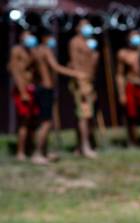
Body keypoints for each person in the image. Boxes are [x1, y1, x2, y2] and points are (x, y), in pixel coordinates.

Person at [32, 28, 86, 164]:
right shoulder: (45, 50)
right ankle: (37, 153)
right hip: (46, 89)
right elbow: (55, 67)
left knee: (44, 122)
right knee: (46, 123)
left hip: (39, 88)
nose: (52, 40)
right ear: (45, 38)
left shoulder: (35, 51)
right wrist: (75, 73)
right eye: (50, 37)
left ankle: (43, 153)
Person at [68, 19, 100, 158]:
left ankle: (80, 147)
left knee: (85, 116)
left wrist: (94, 56)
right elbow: (74, 63)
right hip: (81, 82)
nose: (88, 27)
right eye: (84, 25)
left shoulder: (89, 43)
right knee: (84, 116)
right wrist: (81, 84)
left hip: (88, 82)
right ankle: (85, 147)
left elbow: (91, 65)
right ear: (78, 28)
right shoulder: (75, 42)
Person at [8, 30, 39, 161]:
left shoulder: (32, 51)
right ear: (21, 38)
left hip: (32, 88)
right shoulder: (16, 51)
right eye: (26, 36)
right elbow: (16, 72)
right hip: (22, 90)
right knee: (24, 122)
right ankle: (20, 152)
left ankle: (30, 148)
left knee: (33, 121)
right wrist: (23, 92)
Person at [116, 30, 140, 146]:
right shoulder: (123, 54)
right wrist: (121, 93)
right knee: (131, 115)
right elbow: (119, 74)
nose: (136, 39)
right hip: (131, 85)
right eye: (133, 37)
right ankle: (133, 140)